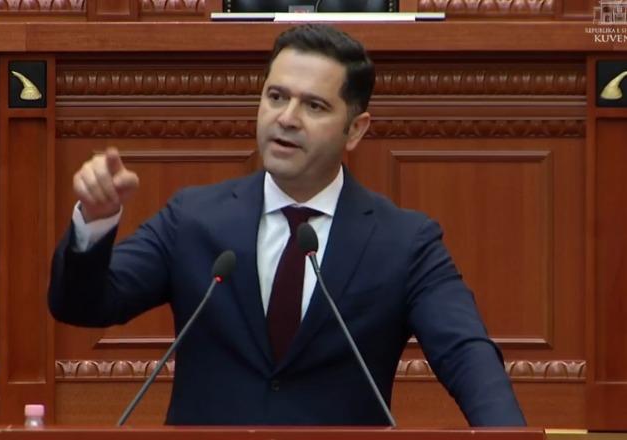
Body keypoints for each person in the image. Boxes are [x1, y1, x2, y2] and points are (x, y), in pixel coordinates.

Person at [48, 24, 526, 427]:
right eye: (276, 97)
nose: (287, 119)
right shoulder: (193, 218)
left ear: (355, 129)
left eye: (314, 106)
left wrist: (508, 437)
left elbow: (466, 354)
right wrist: (95, 222)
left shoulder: (404, 242)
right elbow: (82, 304)